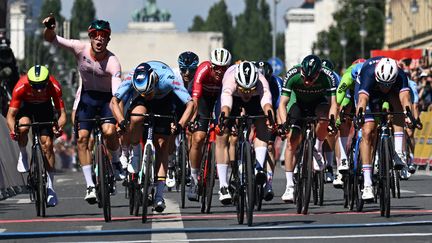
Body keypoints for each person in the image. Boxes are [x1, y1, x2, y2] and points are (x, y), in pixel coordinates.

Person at [43, 15, 123, 204]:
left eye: (103, 35)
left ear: (108, 40)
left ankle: (116, 159)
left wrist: (120, 120)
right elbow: (51, 39)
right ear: (90, 38)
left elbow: (117, 96)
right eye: (95, 35)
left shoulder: (113, 62)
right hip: (86, 97)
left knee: (109, 131)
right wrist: (49, 27)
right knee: (82, 139)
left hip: (106, 99)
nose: (99, 39)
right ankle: (90, 186)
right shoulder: (79, 48)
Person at [111, 61, 194, 212]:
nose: (147, 96)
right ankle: (135, 153)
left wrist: (181, 124)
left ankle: (159, 196)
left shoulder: (168, 78)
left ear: (154, 80)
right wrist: (121, 122)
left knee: (162, 144)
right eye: (144, 93)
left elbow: (190, 104)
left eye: (148, 92)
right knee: (136, 118)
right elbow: (114, 101)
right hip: (142, 101)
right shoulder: (132, 77)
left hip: (164, 100)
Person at [277, 55, 338, 202]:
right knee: (292, 140)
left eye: (311, 79)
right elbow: (282, 104)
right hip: (298, 104)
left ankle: (317, 147)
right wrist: (284, 123)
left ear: (319, 73)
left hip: (319, 103)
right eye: (305, 77)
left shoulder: (327, 76)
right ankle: (290, 186)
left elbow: (334, 104)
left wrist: (331, 122)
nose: (307, 82)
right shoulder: (293, 74)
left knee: (324, 118)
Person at [6, 65, 66, 207]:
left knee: (48, 145)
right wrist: (13, 130)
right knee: (24, 126)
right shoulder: (20, 86)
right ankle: (23, 154)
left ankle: (50, 188)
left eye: (42, 86)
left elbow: (62, 114)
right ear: (29, 82)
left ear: (47, 82)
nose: (39, 90)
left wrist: (59, 126)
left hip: (44, 108)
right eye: (35, 86)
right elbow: (10, 115)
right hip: (26, 108)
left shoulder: (54, 86)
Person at [216, 61, 275, 205]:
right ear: (237, 83)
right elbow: (226, 105)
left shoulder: (261, 81)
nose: (247, 93)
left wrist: (270, 117)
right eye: (244, 89)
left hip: (256, 101)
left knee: (262, 126)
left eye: (250, 89)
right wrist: (224, 119)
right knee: (222, 135)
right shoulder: (230, 80)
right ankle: (223, 186)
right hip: (233, 100)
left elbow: (267, 103)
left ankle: (258, 168)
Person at [355, 57, 413, 201]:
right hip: (369, 92)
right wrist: (359, 114)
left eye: (389, 84)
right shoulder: (368, 73)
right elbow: (362, 100)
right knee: (368, 131)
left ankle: (399, 153)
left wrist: (408, 113)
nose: (385, 87)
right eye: (383, 84)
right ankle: (367, 184)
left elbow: (405, 98)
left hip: (392, 92)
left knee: (399, 108)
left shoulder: (400, 75)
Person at [188, 48, 232, 202]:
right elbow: (196, 98)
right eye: (217, 68)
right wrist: (193, 118)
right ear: (211, 66)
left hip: (220, 97)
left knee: (223, 132)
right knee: (198, 137)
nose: (220, 71)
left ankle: (224, 185)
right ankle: (193, 179)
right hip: (203, 99)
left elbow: (229, 98)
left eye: (223, 68)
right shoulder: (203, 69)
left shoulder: (229, 75)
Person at [253, 60, 282, 201]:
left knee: (270, 146)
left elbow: (279, 106)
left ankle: (269, 182)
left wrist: (278, 123)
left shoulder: (277, 83)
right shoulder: (253, 81)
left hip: (270, 110)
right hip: (253, 109)